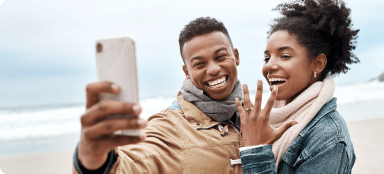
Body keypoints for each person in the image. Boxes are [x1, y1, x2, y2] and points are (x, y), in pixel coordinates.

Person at [73, 17, 294, 174]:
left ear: (235, 56)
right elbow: (134, 162)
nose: (214, 69)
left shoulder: (258, 114)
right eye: (199, 64)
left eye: (220, 57)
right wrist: (92, 161)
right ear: (186, 71)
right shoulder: (169, 127)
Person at [235, 0, 359, 173]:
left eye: (284, 56)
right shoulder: (266, 121)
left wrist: (256, 150)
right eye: (266, 58)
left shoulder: (329, 138)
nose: (269, 66)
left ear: (317, 63)